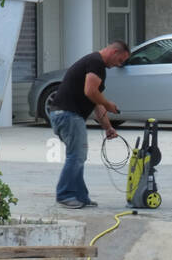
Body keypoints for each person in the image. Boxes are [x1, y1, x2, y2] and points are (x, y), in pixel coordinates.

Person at [48, 41, 131, 209]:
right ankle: (65, 195)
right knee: (76, 156)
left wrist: (108, 127)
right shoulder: (96, 62)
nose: (118, 65)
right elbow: (90, 91)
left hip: (66, 115)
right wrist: (109, 104)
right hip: (68, 114)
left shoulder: (95, 64)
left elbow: (96, 102)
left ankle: (80, 196)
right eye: (120, 60)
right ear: (114, 51)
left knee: (79, 156)